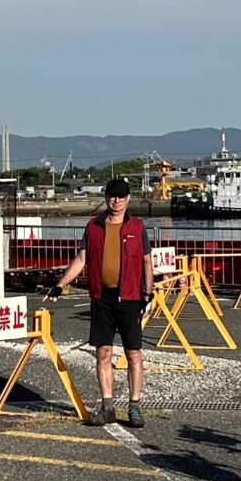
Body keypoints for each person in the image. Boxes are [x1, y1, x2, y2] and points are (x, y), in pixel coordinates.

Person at [49, 177, 155, 427]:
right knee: (103, 352)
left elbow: (147, 261)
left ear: (128, 199)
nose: (116, 200)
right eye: (112, 196)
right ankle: (107, 407)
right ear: (106, 198)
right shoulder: (94, 226)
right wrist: (60, 284)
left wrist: (147, 294)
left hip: (130, 297)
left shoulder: (137, 227)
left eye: (121, 196)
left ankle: (135, 407)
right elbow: (81, 260)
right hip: (101, 297)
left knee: (133, 353)